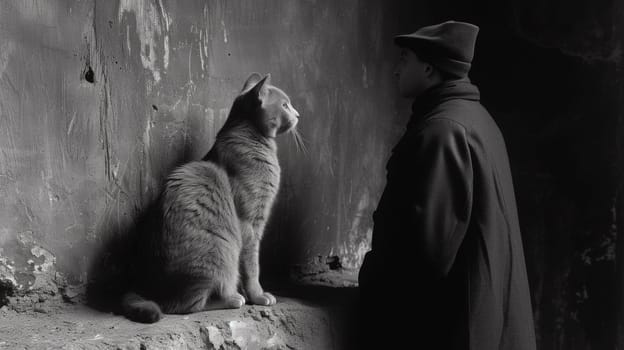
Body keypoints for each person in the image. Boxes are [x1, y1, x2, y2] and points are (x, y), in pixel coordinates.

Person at [358, 21, 537, 349]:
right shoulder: (475, 118)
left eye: (404, 60)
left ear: (428, 69)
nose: (395, 70)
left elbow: (427, 256)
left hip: (458, 332)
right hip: (486, 325)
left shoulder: (444, 130)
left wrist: (372, 278)